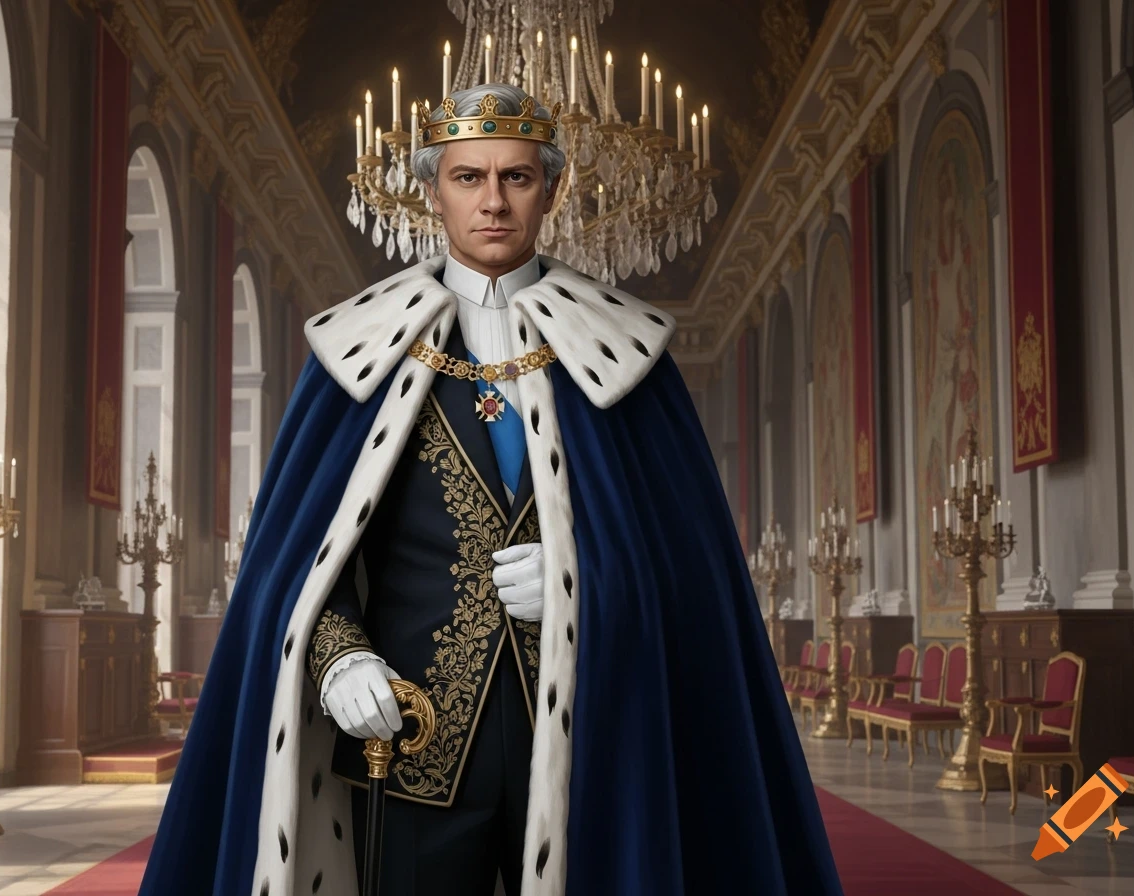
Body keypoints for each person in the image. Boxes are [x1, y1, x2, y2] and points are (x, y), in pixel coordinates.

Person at [138, 83, 842, 896]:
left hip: (591, 742)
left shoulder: (627, 357)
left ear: (552, 189)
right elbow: (299, 567)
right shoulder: (356, 354)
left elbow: (695, 579)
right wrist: (338, 660)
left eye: (517, 177)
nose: (494, 201)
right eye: (469, 177)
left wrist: (583, 582)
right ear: (433, 191)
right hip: (410, 741)